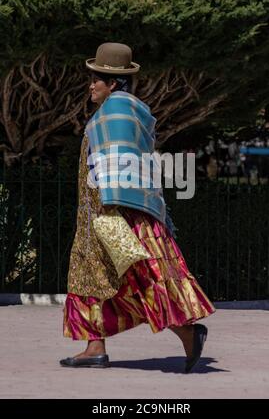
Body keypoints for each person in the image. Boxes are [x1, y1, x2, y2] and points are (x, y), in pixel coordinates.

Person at [60, 43, 215, 372]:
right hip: (98, 213)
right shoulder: (130, 111)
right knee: (89, 275)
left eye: (96, 80)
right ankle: (94, 347)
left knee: (138, 277)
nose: (91, 85)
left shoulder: (116, 114)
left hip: (115, 213)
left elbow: (117, 168)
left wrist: (112, 212)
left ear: (112, 83)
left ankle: (188, 332)